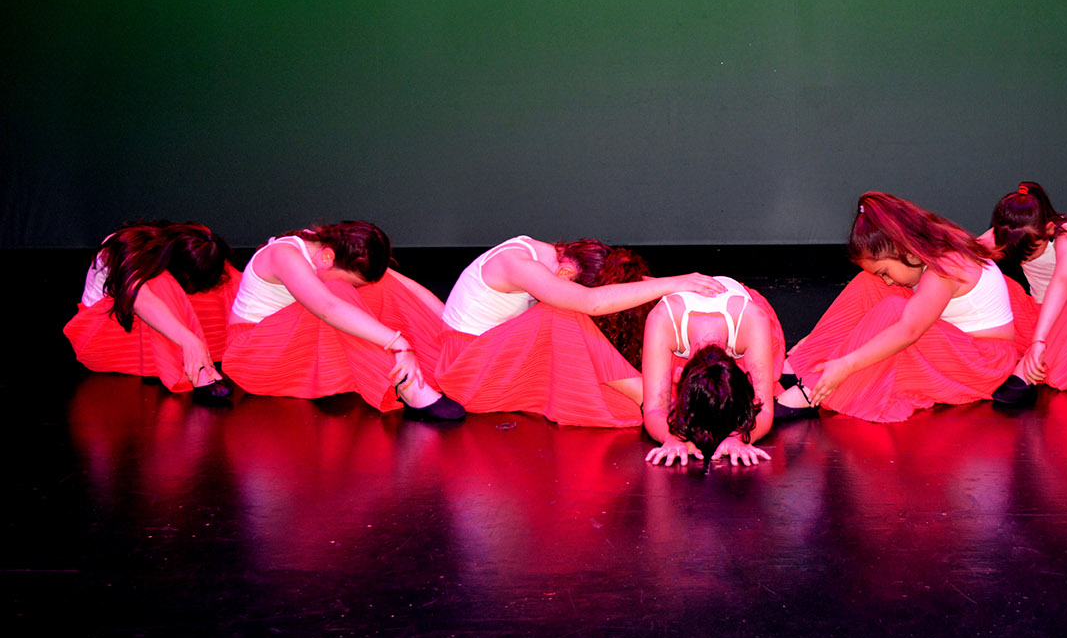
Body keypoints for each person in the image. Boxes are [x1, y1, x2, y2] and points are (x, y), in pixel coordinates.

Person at [434, 236, 725, 427]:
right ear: (565, 276)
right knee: (558, 312)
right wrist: (673, 283)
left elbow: (607, 290)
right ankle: (650, 395)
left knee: (612, 402)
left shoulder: (549, 256)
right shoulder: (517, 263)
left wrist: (681, 286)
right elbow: (592, 300)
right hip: (469, 373)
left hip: (494, 359)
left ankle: (651, 391)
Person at [782, 192, 1019, 423]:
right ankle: (802, 363)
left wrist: (846, 365)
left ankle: (814, 389)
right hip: (957, 345)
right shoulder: (931, 249)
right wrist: (819, 338)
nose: (887, 280)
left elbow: (910, 330)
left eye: (885, 271)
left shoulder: (945, 266)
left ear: (903, 248)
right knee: (869, 283)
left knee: (895, 311)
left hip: (983, 364)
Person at [223, 221, 465, 421]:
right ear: (327, 256)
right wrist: (399, 343)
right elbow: (327, 307)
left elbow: (408, 287)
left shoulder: (335, 249)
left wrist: (451, 329)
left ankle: (445, 362)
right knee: (339, 290)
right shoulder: (283, 254)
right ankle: (409, 387)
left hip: (293, 346)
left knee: (379, 285)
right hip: (255, 357)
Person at [63, 221, 239, 403]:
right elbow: (141, 299)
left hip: (141, 330)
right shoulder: (122, 247)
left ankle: (239, 349)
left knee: (228, 274)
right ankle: (201, 369)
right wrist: (189, 341)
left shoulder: (167, 248)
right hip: (103, 336)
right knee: (160, 283)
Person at [980, 182, 1067, 402]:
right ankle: (1031, 358)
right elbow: (965, 253)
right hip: (1039, 316)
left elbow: (1063, 281)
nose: (1025, 259)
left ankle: (1027, 371)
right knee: (992, 277)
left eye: (1030, 251)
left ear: (1049, 229)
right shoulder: (1009, 232)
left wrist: (1039, 341)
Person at [641, 275, 786, 469]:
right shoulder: (661, 319)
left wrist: (740, 438)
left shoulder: (754, 320)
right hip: (683, 321)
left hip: (743, 314)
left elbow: (766, 410)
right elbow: (653, 410)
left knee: (765, 388)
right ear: (678, 374)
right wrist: (671, 438)